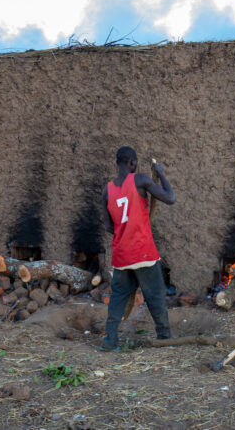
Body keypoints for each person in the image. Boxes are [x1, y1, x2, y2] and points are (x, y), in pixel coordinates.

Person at [100, 146, 175, 351]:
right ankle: (164, 336)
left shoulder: (107, 189)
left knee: (117, 299)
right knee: (155, 295)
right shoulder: (141, 180)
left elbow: (108, 226)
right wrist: (160, 173)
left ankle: (110, 341)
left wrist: (124, 231)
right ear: (132, 163)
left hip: (121, 255)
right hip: (142, 252)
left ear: (118, 163)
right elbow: (170, 198)